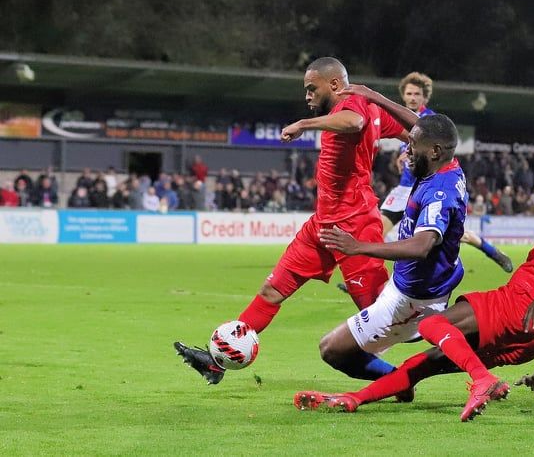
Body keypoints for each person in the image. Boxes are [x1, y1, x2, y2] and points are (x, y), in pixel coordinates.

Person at [294, 154, 534, 422]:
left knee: (432, 325)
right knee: (426, 362)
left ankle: (482, 380)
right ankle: (353, 400)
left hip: (519, 305)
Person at [174, 57, 410, 385]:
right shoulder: (367, 111)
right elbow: (411, 129)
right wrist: (408, 144)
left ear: (334, 85)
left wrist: (303, 125)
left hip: (353, 228)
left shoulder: (355, 105)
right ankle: (218, 364)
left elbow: (354, 122)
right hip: (322, 227)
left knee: (391, 317)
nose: (307, 95)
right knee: (272, 291)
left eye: (312, 88)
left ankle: (462, 348)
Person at [316, 111, 467, 387]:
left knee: (331, 349)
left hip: (411, 301)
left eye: (412, 145)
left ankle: (398, 380)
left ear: (434, 150)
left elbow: (422, 246)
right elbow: (418, 127)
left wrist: (358, 247)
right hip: (415, 284)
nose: (407, 150)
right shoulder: (446, 162)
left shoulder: (439, 192)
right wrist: (371, 95)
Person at [342, 72, 511, 295]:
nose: (412, 98)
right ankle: (365, 279)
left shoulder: (429, 122)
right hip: (404, 189)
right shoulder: (399, 118)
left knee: (449, 235)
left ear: (425, 98)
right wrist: (402, 159)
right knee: (375, 232)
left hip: (427, 189)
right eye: (409, 93)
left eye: (417, 94)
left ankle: (493, 252)